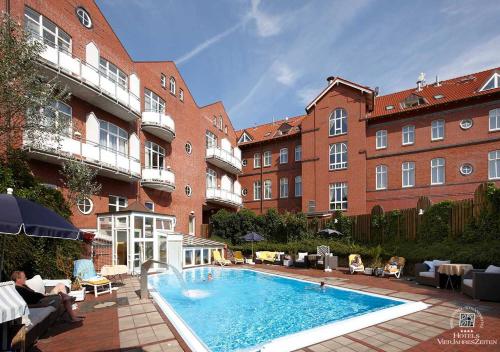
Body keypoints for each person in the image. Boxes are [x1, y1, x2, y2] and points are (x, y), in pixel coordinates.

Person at [11, 271, 84, 323]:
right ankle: (72, 316)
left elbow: (34, 294)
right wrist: (42, 301)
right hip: (41, 301)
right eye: (24, 278)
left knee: (61, 285)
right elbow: (28, 302)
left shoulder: (23, 286)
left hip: (43, 297)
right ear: (18, 279)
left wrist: (45, 295)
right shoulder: (18, 289)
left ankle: (67, 301)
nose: (26, 278)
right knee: (63, 298)